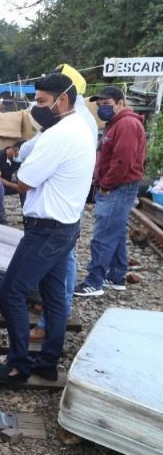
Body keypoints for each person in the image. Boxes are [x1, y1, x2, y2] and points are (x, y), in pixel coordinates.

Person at [0, 73, 96, 385]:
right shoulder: (79, 128)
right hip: (65, 226)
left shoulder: (60, 135)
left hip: (47, 229)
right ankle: (47, 363)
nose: (38, 107)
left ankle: (18, 365)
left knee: (11, 292)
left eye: (43, 102)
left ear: (62, 100)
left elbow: (24, 180)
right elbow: (24, 157)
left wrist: (23, 169)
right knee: (54, 297)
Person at [74, 85, 146, 297]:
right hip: (117, 186)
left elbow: (122, 160)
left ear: (121, 103)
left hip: (118, 187)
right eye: (99, 105)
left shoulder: (126, 125)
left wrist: (105, 185)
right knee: (116, 233)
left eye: (107, 104)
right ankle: (116, 276)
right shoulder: (115, 123)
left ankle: (94, 282)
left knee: (103, 236)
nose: (102, 108)